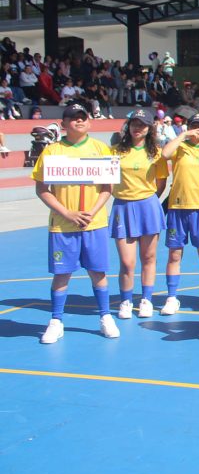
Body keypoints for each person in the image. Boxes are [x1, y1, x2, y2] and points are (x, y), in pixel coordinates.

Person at [33, 103, 119, 344]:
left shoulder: (101, 149)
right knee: (62, 274)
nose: (79, 121)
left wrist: (92, 211)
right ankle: (56, 321)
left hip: (94, 223)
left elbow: (107, 188)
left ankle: (105, 316)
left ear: (89, 122)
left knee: (98, 272)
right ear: (63, 124)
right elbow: (42, 189)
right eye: (73, 118)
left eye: (83, 117)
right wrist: (67, 213)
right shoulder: (52, 152)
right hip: (63, 225)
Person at [111, 109, 169, 320]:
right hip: (122, 207)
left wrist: (148, 199)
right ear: (128, 126)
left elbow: (161, 182)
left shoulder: (156, 153)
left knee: (148, 257)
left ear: (149, 128)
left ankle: (146, 299)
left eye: (143, 124)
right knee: (127, 262)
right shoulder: (115, 151)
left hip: (148, 206)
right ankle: (126, 300)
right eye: (134, 123)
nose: (138, 128)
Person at [160, 113, 199, 315]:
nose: (198, 130)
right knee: (174, 254)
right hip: (178, 207)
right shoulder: (179, 146)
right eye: (194, 126)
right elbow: (165, 154)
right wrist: (184, 135)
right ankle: (171, 297)